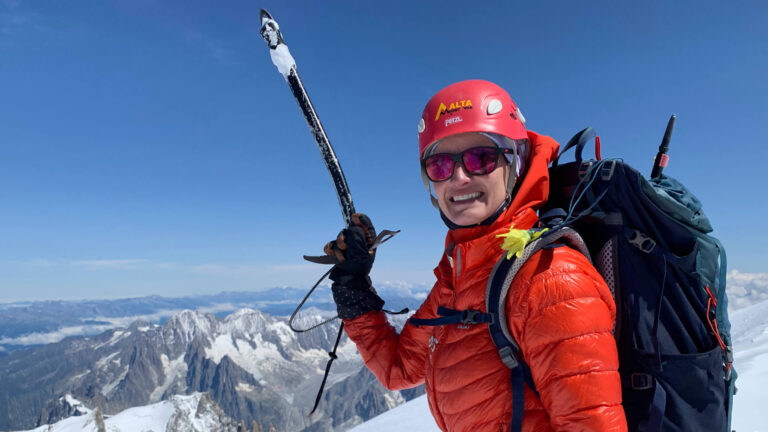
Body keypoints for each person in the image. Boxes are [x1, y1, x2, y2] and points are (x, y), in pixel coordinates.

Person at [324, 80, 627, 431]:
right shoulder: (460, 277)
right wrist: (354, 289)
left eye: (480, 158)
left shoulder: (550, 280)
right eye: (440, 165)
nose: (460, 177)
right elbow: (399, 369)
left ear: (516, 162)